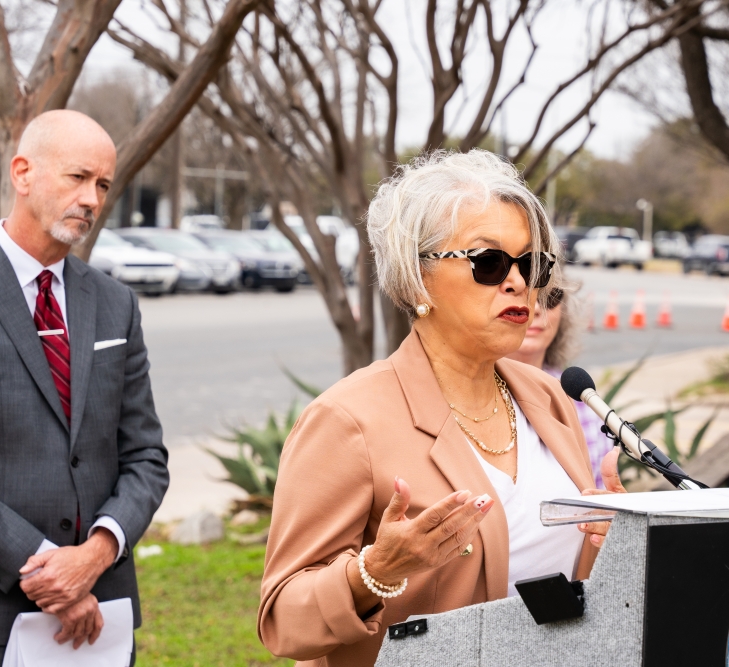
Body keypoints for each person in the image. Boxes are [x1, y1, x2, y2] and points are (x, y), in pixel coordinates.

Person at [259, 150, 624, 666]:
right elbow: (282, 620)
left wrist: (609, 541)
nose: (520, 283)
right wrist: (374, 573)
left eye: (532, 264)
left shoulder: (547, 396)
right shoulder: (347, 421)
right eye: (489, 262)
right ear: (417, 277)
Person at [0, 110, 169, 665]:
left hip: (104, 621)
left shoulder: (115, 304)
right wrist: (48, 571)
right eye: (78, 177)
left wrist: (95, 555)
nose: (93, 199)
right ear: (23, 173)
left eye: (103, 184)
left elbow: (145, 455)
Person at [506, 286, 613, 488]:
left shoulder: (583, 401)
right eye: (519, 293)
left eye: (549, 297)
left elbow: (599, 500)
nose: (536, 308)